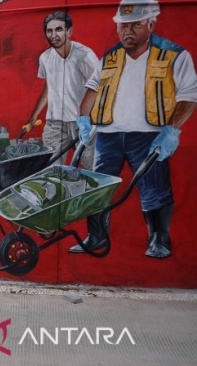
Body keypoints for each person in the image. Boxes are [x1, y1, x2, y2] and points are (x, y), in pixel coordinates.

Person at [72, 0, 197, 258]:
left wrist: (171, 131)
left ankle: (158, 240)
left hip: (148, 134)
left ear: (151, 24)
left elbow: (189, 96)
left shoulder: (174, 54)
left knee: (154, 187)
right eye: (122, 26)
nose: (127, 32)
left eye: (135, 25)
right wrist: (84, 120)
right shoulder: (111, 57)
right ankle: (95, 237)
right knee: (98, 187)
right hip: (108, 134)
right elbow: (92, 89)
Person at [27, 10, 99, 169]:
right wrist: (33, 117)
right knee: (50, 170)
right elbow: (48, 88)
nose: (54, 35)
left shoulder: (84, 55)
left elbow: (100, 87)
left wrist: (91, 120)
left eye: (59, 29)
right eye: (49, 30)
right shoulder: (45, 58)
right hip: (55, 124)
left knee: (92, 168)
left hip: (81, 123)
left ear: (69, 31)